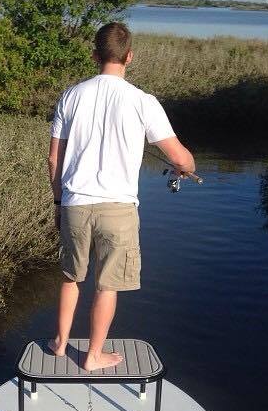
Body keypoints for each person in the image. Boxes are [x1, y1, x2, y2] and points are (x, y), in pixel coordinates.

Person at [47, 22, 195, 371]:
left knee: (71, 277)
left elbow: (54, 159)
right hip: (118, 209)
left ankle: (59, 344)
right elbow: (179, 157)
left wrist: (58, 202)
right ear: (129, 57)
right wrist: (187, 166)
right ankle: (93, 357)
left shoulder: (71, 95)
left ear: (95, 55)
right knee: (107, 285)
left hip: (74, 203)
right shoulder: (143, 101)